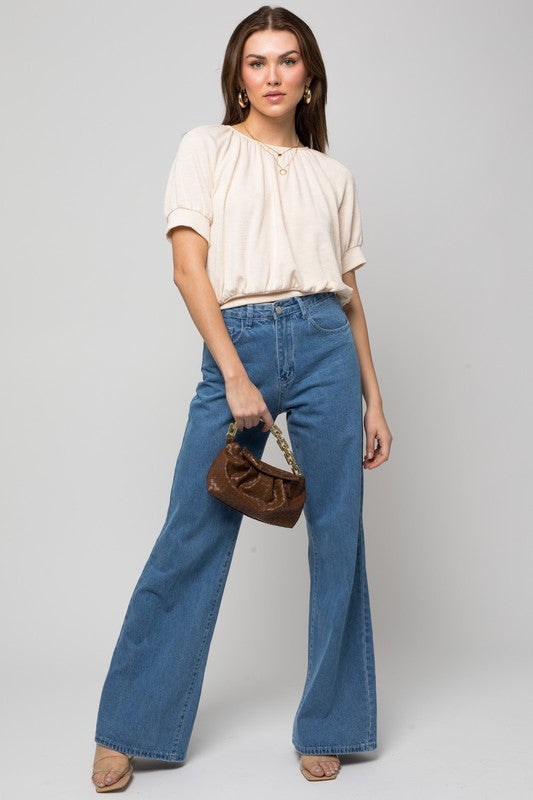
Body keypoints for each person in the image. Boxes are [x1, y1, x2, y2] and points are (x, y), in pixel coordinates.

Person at [90, 5, 392, 791]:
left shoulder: (334, 176)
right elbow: (190, 269)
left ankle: (328, 724)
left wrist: (374, 399)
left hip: (325, 342)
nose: (270, 76)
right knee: (191, 531)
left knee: (338, 540)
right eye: (256, 62)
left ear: (309, 76)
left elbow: (351, 296)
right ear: (237, 75)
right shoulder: (207, 148)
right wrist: (231, 371)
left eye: (286, 61)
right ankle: (130, 726)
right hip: (241, 339)